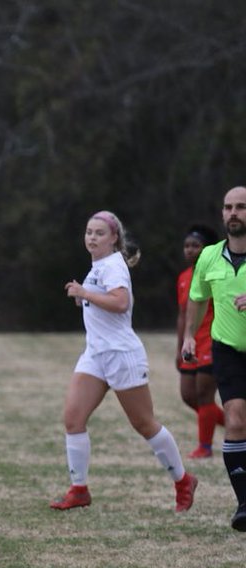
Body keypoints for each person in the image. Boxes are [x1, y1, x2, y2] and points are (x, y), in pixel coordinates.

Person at [52, 210, 198, 512]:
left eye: (99, 233)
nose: (92, 237)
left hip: (121, 355)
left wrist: (83, 292)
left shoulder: (112, 266)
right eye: (89, 232)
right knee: (73, 419)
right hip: (95, 354)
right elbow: (104, 300)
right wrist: (85, 295)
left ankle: (183, 480)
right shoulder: (98, 266)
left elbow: (120, 303)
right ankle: (79, 489)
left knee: (144, 423)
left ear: (114, 238)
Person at [182, 186, 246, 530]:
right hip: (227, 349)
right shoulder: (208, 256)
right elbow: (197, 296)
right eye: (228, 207)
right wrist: (190, 335)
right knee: (235, 420)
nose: (233, 213)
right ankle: (244, 503)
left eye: (241, 207)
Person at [175, 224, 223, 459]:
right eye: (187, 246)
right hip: (190, 342)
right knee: (188, 395)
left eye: (195, 246)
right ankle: (235, 422)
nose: (190, 250)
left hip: (211, 341)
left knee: (204, 393)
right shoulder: (183, 278)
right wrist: (179, 346)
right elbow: (183, 315)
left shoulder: (215, 272)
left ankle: (205, 447)